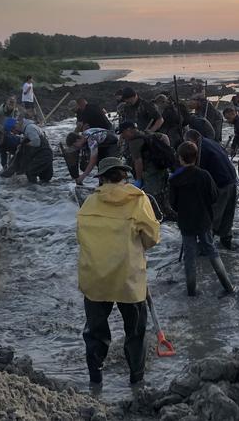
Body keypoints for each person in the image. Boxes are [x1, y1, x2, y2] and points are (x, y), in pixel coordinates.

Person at [77, 157, 160, 387]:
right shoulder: (138, 199)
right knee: (135, 332)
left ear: (102, 178)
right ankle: (136, 380)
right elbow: (152, 238)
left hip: (95, 277)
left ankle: (96, 380)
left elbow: (80, 238)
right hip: (129, 277)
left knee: (95, 332)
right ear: (124, 176)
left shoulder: (89, 203)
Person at [169, 142, 234, 296]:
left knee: (189, 256)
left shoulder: (174, 179)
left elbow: (173, 204)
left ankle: (191, 290)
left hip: (186, 221)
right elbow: (214, 196)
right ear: (196, 157)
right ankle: (227, 285)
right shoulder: (204, 175)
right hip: (204, 219)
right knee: (211, 249)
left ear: (180, 158)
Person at [184, 129, 237, 249]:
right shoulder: (210, 142)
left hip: (221, 183)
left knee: (211, 215)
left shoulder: (201, 150)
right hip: (232, 179)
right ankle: (226, 241)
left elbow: (199, 174)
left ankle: (206, 246)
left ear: (192, 140)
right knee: (227, 214)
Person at [117, 121, 176, 221]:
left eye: (122, 133)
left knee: (150, 195)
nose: (122, 136)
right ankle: (168, 212)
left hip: (150, 172)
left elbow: (138, 162)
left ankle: (156, 217)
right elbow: (165, 137)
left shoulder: (134, 142)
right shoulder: (147, 133)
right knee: (164, 191)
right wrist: (165, 152)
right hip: (162, 168)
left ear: (128, 130)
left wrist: (139, 179)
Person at [13, 117, 54, 183]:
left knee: (30, 172)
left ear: (17, 125)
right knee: (45, 180)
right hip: (46, 155)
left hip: (44, 155)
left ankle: (32, 191)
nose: (16, 133)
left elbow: (36, 143)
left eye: (14, 130)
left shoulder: (29, 128)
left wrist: (26, 144)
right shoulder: (29, 128)